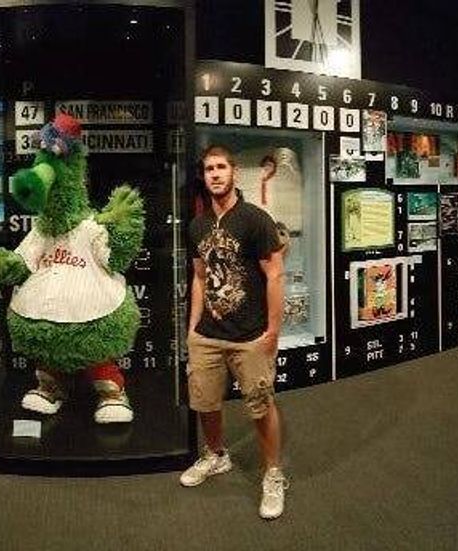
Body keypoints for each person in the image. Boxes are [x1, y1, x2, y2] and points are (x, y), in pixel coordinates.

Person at [180, 145, 289, 520]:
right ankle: (215, 455)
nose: (214, 174)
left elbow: (274, 275)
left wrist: (273, 331)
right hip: (207, 334)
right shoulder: (196, 226)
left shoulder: (255, 220)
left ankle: (273, 474)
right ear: (204, 176)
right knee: (205, 402)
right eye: (208, 168)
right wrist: (192, 328)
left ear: (233, 172)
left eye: (221, 167)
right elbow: (198, 277)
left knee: (260, 406)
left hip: (249, 335)